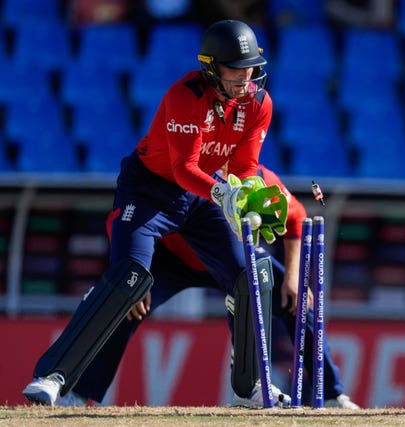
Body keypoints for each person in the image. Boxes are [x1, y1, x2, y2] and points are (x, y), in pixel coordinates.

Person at [22, 19, 290, 407]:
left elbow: (245, 165)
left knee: (250, 277)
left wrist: (247, 193)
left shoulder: (259, 104)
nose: (246, 76)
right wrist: (221, 192)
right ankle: (54, 377)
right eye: (236, 68)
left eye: (250, 66)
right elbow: (183, 168)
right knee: (129, 279)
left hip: (201, 196)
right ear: (211, 67)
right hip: (151, 190)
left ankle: (249, 388)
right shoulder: (184, 96)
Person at [55, 164, 359, 409]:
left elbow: (296, 219)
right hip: (172, 260)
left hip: (236, 262)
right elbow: (123, 225)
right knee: (124, 308)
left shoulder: (264, 184)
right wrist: (133, 275)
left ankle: (331, 393)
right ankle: (79, 395)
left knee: (299, 305)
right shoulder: (183, 182)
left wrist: (293, 277)